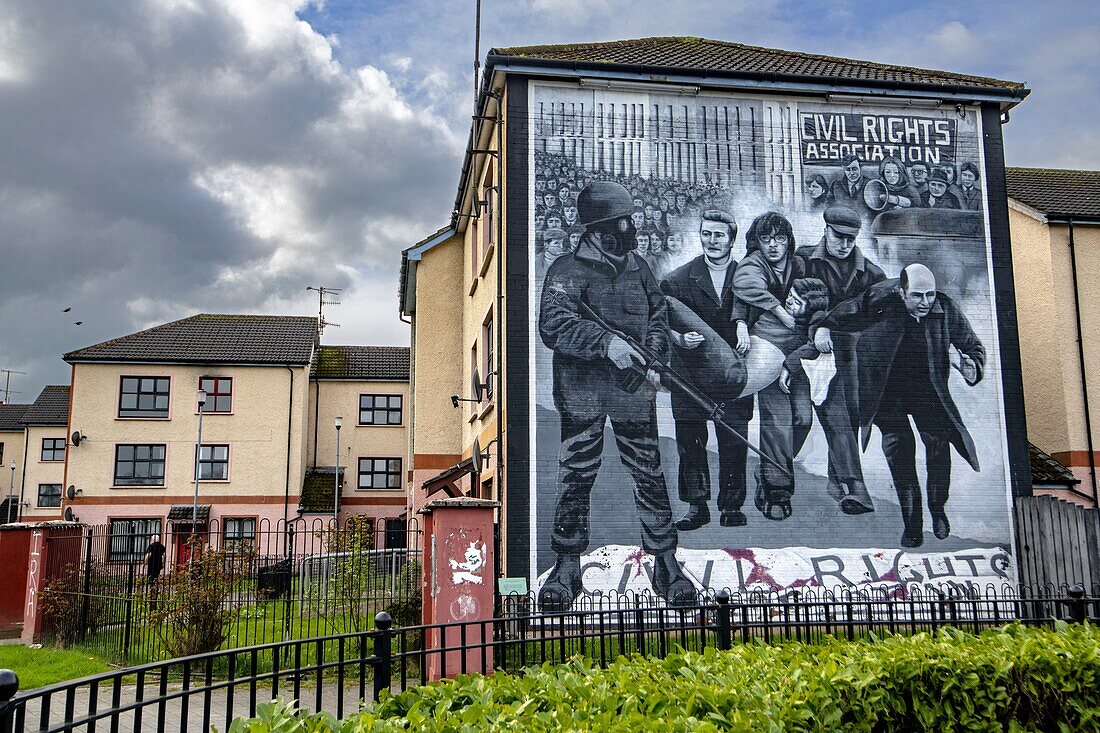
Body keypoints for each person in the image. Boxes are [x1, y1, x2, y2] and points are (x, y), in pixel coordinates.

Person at [538, 180, 693, 611]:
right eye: (623, 223)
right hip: (582, 395)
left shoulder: (638, 267)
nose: (631, 229)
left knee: (649, 474)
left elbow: (658, 315)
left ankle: (666, 562)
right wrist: (607, 343)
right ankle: (567, 565)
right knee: (575, 476)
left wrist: (655, 356)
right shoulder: (565, 271)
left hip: (634, 395)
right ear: (599, 228)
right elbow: (553, 323)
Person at [813, 264, 985, 547]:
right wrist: (822, 327)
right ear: (901, 291)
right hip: (886, 393)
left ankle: (938, 509)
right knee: (900, 452)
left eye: (929, 295)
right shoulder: (880, 299)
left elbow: (972, 345)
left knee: (938, 447)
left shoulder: (943, 308)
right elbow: (847, 312)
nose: (925, 303)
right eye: (917, 296)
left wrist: (972, 368)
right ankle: (913, 524)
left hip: (927, 392)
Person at [660, 210, 754, 531]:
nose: (712, 241)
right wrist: (679, 339)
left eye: (719, 235)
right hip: (689, 374)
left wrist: (745, 328)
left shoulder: (749, 280)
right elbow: (657, 324)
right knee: (691, 441)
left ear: (732, 239)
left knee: (733, 440)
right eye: (706, 234)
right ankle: (696, 506)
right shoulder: (676, 280)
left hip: (733, 375)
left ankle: (731, 506)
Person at [797, 206, 886, 515]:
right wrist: (815, 328)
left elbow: (881, 316)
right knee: (836, 417)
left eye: (851, 238)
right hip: (814, 356)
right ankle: (857, 488)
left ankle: (837, 482)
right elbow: (794, 303)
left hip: (853, 361)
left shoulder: (871, 273)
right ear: (826, 230)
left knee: (846, 418)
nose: (845, 244)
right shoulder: (804, 261)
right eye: (839, 236)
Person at [732, 212, 806, 519]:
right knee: (777, 420)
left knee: (802, 419)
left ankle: (771, 469)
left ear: (789, 241)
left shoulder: (800, 264)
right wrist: (778, 313)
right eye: (766, 239)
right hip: (767, 348)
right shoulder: (753, 264)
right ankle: (777, 491)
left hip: (799, 352)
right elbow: (744, 287)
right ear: (756, 242)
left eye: (780, 238)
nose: (774, 246)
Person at [829, 154, 872, 219]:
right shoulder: (836, 186)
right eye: (848, 170)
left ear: (860, 168)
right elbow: (828, 208)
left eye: (854, 169)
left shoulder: (871, 184)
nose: (851, 173)